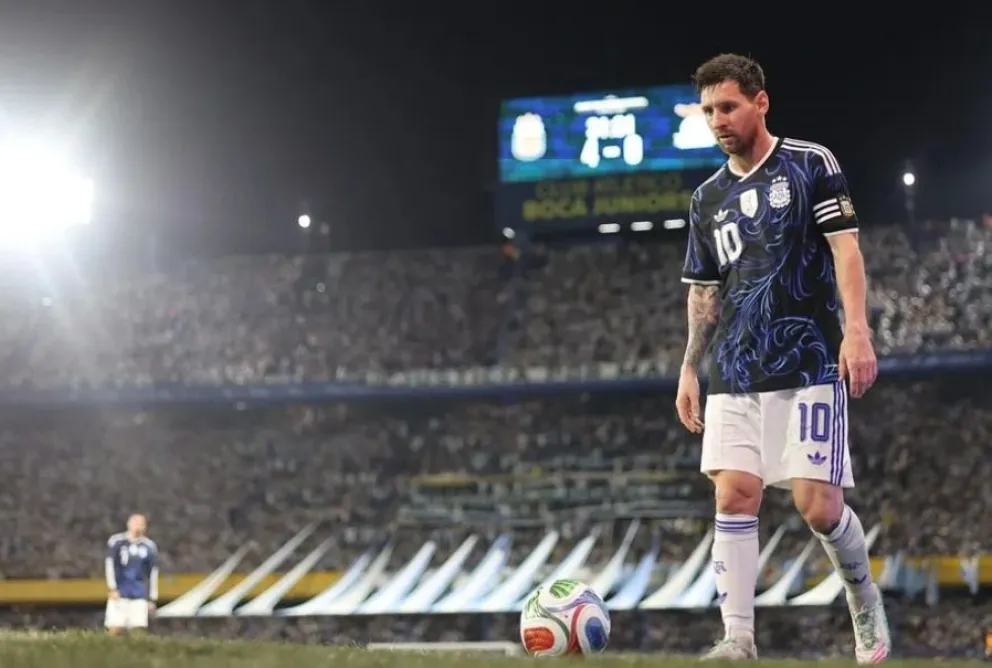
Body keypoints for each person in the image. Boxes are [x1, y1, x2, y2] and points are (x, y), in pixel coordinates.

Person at [675, 53, 889, 663]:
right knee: (734, 494)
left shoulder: (809, 164)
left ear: (760, 101)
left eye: (729, 106)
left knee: (818, 507)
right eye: (709, 109)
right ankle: (737, 638)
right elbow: (704, 291)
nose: (718, 120)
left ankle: (864, 602)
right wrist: (691, 366)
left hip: (811, 361)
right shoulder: (706, 199)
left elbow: (845, 250)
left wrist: (857, 331)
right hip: (735, 371)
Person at [105, 513, 159, 635]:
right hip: (120, 592)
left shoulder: (149, 546)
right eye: (135, 522)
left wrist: (152, 598)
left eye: (141, 524)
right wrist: (112, 588)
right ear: (128, 523)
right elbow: (110, 565)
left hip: (139, 594)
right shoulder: (117, 542)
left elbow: (153, 573)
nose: (138, 526)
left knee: (138, 630)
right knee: (115, 629)